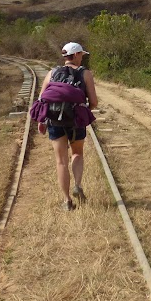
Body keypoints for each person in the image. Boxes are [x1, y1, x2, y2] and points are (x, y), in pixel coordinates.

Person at [37, 42, 98, 211]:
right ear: (77, 54)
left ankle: (67, 201)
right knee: (77, 153)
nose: (82, 58)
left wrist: (41, 121)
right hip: (76, 121)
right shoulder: (85, 74)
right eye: (82, 55)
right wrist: (84, 112)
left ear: (65, 57)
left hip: (55, 121)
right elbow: (93, 102)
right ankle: (77, 186)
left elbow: (42, 100)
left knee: (61, 161)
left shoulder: (52, 73)